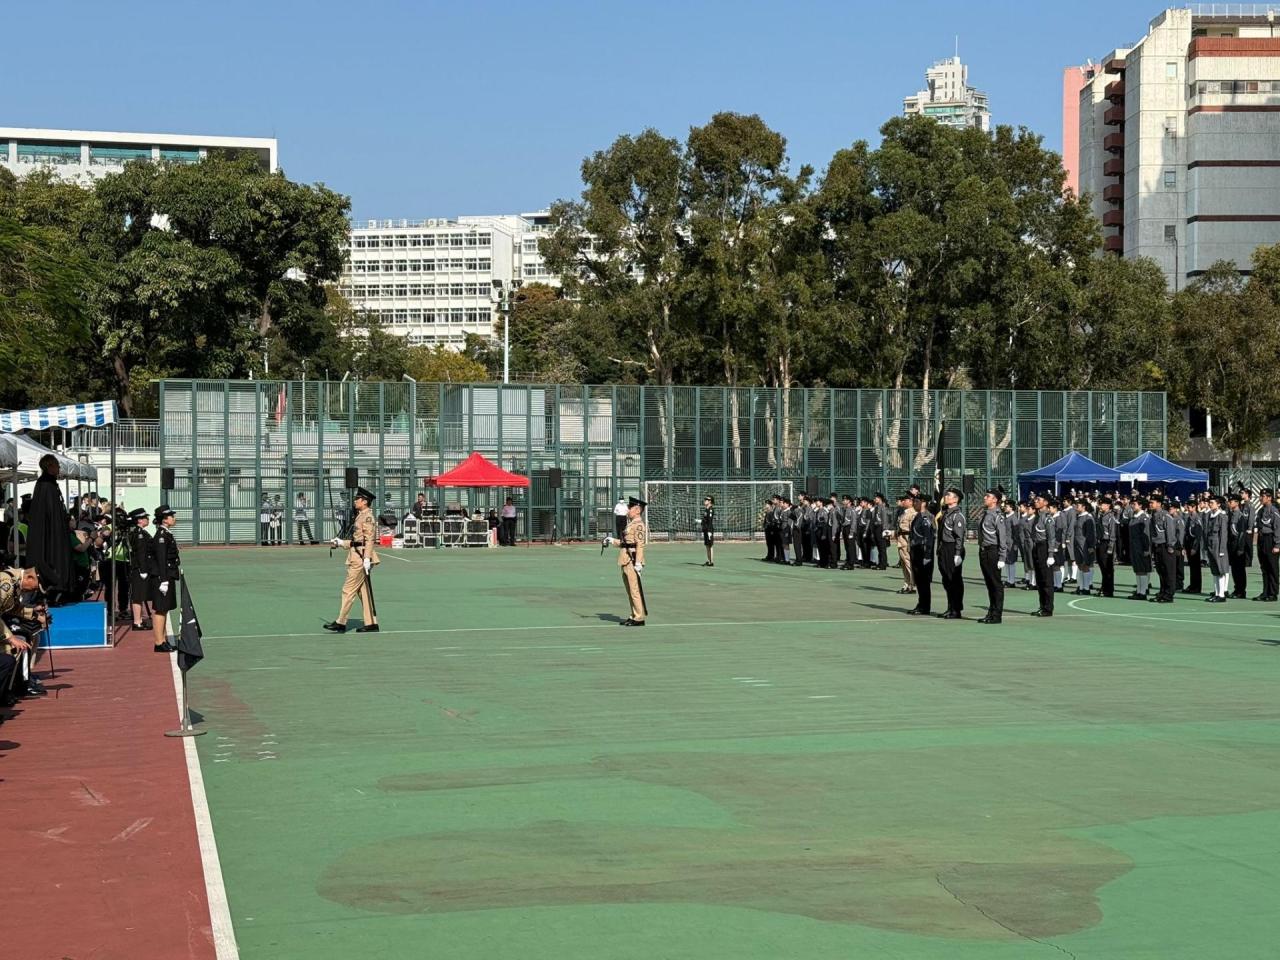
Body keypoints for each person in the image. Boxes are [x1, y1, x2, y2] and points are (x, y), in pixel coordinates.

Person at [325, 487, 381, 633]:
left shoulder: (367, 517)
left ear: (364, 501)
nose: (355, 501)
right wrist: (340, 543)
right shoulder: (360, 516)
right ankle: (371, 623)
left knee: (348, 590)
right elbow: (357, 540)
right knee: (363, 592)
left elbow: (369, 540)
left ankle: (341, 622)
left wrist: (367, 558)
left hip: (360, 557)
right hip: (357, 554)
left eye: (357, 499)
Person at [27, 454, 72, 603]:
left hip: (54, 531)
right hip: (51, 535)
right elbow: (49, 513)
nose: (59, 468)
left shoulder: (48, 484)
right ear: (50, 466)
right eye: (57, 465)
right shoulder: (46, 485)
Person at [605, 497, 648, 626]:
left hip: (632, 560)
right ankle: (634, 614)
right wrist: (612, 540)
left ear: (637, 510)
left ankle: (639, 617)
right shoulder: (631, 524)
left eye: (630, 508)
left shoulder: (638, 525)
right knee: (630, 590)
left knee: (634, 590)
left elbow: (640, 544)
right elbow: (625, 543)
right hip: (625, 559)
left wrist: (638, 563)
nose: (628, 510)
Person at [151, 505, 181, 653]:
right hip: (163, 576)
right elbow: (161, 559)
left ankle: (163, 640)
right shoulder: (161, 536)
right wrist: (163, 580)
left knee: (164, 608)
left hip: (167, 575)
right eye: (171, 516)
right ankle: (158, 642)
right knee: (160, 609)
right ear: (164, 519)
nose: (174, 518)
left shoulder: (166, 534)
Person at [977, 489, 1009, 624]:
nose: (985, 498)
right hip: (984, 550)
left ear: (995, 500)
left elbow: (1003, 538)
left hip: (993, 551)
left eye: (988, 496)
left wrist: (1002, 557)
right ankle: (991, 611)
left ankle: (996, 614)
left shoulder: (997, 516)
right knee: (989, 583)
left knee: (996, 584)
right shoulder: (986, 513)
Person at [937, 487, 966, 620]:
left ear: (956, 499)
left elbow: (959, 537)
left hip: (952, 548)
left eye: (949, 495)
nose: (946, 497)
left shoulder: (957, 515)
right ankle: (950, 607)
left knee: (954, 579)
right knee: (946, 580)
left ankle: (956, 609)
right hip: (944, 547)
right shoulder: (946, 513)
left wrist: (957, 553)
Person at [125, 508, 153, 631]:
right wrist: (143, 569)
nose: (148, 519)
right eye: (145, 518)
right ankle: (137, 622)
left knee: (140, 595)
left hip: (140, 567)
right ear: (139, 520)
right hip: (140, 568)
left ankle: (139, 620)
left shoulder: (139, 532)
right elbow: (141, 553)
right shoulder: (139, 534)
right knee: (138, 595)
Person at [907, 495, 935, 615]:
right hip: (916, 550)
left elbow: (929, 538)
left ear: (924, 503)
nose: (914, 503)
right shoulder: (918, 516)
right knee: (919, 580)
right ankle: (921, 604)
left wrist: (927, 555)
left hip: (922, 551)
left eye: (917, 501)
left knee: (924, 581)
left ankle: (925, 606)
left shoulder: (926, 518)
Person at [1031, 493, 1058, 616]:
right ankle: (1042, 606)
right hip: (1036, 547)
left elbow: (1052, 538)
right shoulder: (1037, 516)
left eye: (1038, 499)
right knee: (1039, 579)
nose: (1035, 501)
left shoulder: (1048, 518)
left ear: (1046, 503)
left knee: (1046, 580)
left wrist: (1051, 554)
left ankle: (1048, 608)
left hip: (1044, 547)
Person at [1148, 494, 1176, 603]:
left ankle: (1169, 595)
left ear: (1159, 503)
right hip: (1157, 545)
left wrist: (1170, 545)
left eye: (1152, 502)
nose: (1150, 504)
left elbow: (1170, 531)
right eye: (1150, 502)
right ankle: (1162, 592)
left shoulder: (1165, 515)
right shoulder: (1153, 515)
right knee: (1161, 571)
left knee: (1168, 571)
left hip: (1165, 546)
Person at [1253, 487, 1279, 601]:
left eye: (1263, 496)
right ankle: (1265, 592)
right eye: (1260, 496)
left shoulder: (1274, 511)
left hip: (1271, 539)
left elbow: (1277, 528)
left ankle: (1273, 593)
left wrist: (1277, 545)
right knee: (1264, 567)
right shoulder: (1261, 511)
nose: (1260, 498)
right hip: (1262, 539)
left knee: (1272, 567)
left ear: (1269, 498)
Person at [1204, 493, 1230, 603]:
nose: (1210, 504)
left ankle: (1221, 594)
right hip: (1211, 545)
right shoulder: (1210, 515)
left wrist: (1222, 550)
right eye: (1209, 503)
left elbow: (1223, 534)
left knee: (1220, 570)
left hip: (1218, 546)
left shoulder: (1221, 517)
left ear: (1218, 504)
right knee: (1214, 571)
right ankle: (1216, 593)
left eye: (1212, 503)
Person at [1072, 500, 1096, 596]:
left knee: (1085, 565)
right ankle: (1081, 587)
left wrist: (1090, 546)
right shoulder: (1078, 517)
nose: (1076, 507)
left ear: (1084, 507)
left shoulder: (1088, 517)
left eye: (1078, 505)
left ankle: (1086, 588)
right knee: (1080, 565)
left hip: (1085, 545)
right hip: (1077, 544)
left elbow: (1090, 533)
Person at [1228, 492, 1249, 599]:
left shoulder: (1240, 516)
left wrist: (1240, 548)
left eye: (1231, 501)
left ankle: (1241, 591)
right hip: (1232, 544)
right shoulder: (1231, 514)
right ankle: (1237, 589)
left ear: (1237, 503)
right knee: (1234, 569)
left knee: (1240, 569)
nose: (1229, 503)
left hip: (1238, 544)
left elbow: (1242, 533)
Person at [1096, 497, 1118, 598]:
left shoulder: (1110, 517)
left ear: (1108, 505)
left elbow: (1112, 533)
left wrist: (1110, 547)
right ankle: (1104, 587)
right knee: (1102, 566)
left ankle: (1108, 589)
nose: (1100, 506)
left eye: (1102, 504)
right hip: (1100, 543)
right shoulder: (1101, 515)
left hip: (1106, 543)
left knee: (1107, 567)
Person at [895, 493, 916, 595]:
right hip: (901, 541)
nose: (903, 502)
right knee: (904, 564)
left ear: (911, 501)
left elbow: (912, 529)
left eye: (905, 500)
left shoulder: (913, 513)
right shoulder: (904, 512)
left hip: (907, 541)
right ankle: (906, 584)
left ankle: (913, 585)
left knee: (909, 564)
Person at [700, 496, 715, 567]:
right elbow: (705, 520)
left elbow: (709, 521)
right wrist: (700, 521)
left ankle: (711, 562)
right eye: (705, 499)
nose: (705, 501)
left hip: (709, 530)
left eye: (706, 500)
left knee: (710, 545)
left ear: (710, 501)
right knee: (707, 546)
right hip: (705, 529)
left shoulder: (710, 510)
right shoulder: (706, 509)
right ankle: (708, 561)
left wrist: (709, 531)